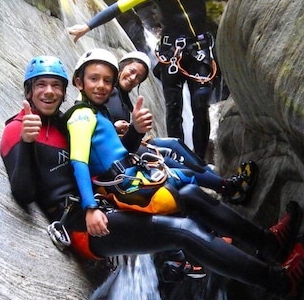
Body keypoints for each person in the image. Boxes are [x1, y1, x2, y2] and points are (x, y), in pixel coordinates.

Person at [0, 54, 304, 300]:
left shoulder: (62, 122)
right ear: (29, 90)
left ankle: (269, 244)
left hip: (101, 205)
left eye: (56, 85)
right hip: (81, 223)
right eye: (41, 85)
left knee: (190, 194)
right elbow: (23, 191)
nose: (50, 92)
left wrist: (134, 131)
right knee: (182, 231)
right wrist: (28, 144)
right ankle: (281, 284)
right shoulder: (19, 127)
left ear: (66, 89)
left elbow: (101, 158)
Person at [67, 0, 238, 159]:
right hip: (171, 55)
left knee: (199, 103)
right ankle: (180, 158)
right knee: (174, 109)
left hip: (198, 48)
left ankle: (198, 159)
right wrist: (87, 27)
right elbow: (118, 7)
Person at [107, 50, 259, 205]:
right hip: (117, 151)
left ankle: (213, 176)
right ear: (121, 67)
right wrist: (115, 127)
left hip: (127, 143)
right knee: (167, 158)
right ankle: (227, 187)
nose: (133, 78)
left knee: (174, 143)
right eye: (132, 72)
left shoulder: (124, 99)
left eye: (139, 77)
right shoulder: (106, 90)